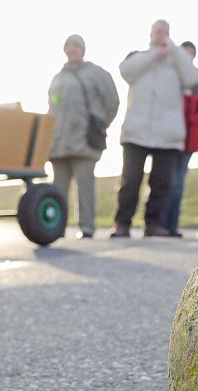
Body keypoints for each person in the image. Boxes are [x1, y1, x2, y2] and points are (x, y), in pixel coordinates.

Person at [112, 19, 198, 238]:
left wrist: (172, 48)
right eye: (158, 32)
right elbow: (125, 71)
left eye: (165, 32)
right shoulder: (139, 58)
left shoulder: (177, 63)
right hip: (136, 132)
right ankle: (123, 223)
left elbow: (192, 77)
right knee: (130, 180)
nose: (161, 36)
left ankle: (153, 224)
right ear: (150, 34)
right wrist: (153, 54)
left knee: (161, 183)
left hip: (167, 134)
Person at [47, 34, 120, 238]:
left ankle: (87, 227)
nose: (72, 49)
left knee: (85, 186)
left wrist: (100, 124)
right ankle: (57, 227)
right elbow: (52, 107)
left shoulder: (97, 74)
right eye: (69, 46)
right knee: (58, 188)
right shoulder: (58, 78)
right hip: (59, 143)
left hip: (85, 142)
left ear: (83, 49)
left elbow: (112, 103)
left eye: (76, 46)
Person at [162, 41, 198, 237]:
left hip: (187, 142)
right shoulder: (168, 78)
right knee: (165, 181)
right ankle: (159, 223)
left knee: (178, 183)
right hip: (168, 140)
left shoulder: (195, 85)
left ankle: (171, 224)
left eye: (191, 55)